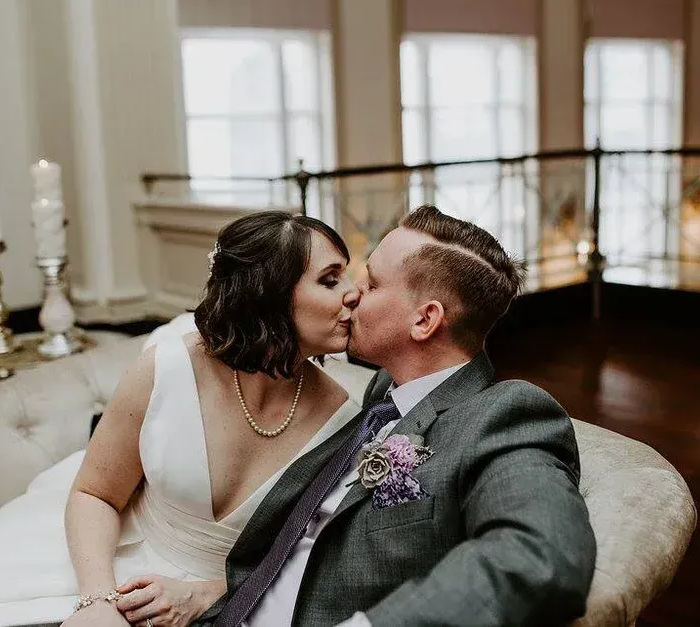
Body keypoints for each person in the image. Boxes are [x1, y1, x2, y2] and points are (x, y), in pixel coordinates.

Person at [0, 211, 362, 627]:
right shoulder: (170, 368)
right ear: (269, 294)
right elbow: (97, 493)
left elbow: (310, 555)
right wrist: (97, 601)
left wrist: (208, 591)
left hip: (225, 597)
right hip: (101, 558)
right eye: (330, 279)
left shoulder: (343, 418)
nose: (353, 293)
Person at [203, 205, 596, 627]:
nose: (351, 294)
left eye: (370, 284)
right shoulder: (383, 393)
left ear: (425, 320)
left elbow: (541, 556)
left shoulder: (504, 415)